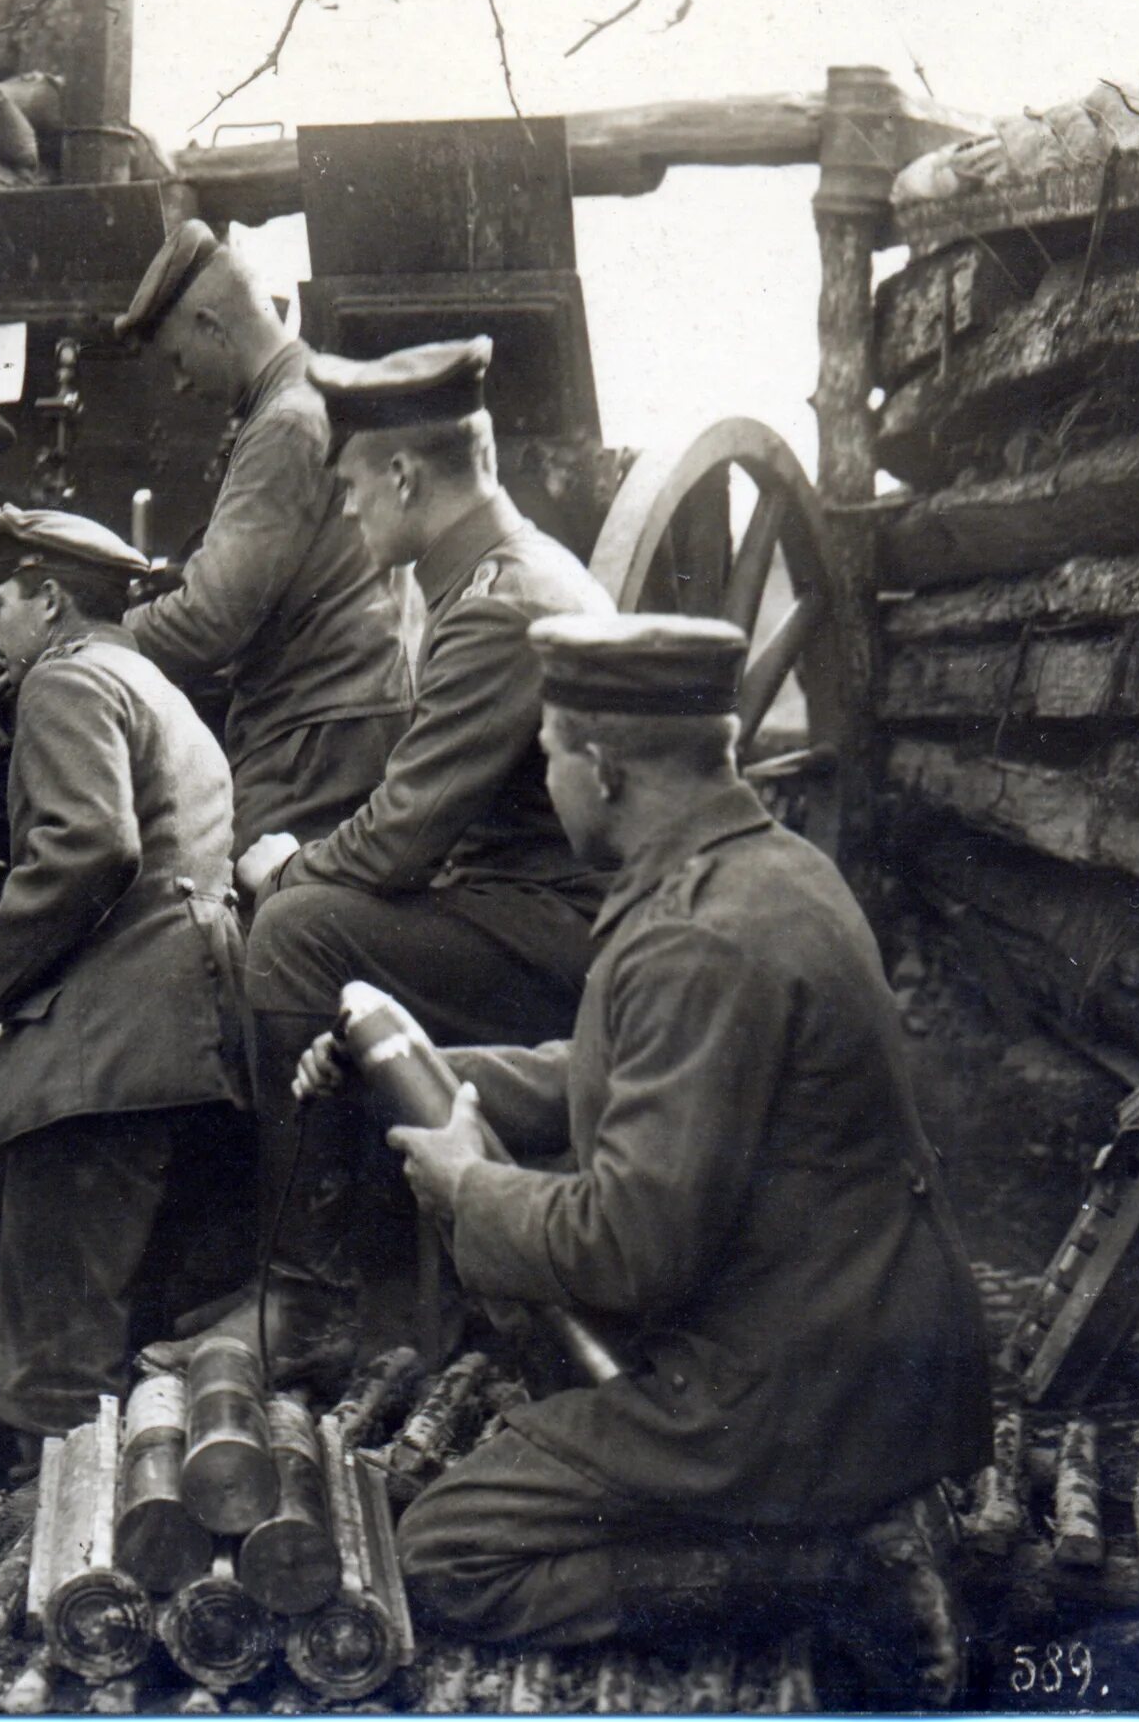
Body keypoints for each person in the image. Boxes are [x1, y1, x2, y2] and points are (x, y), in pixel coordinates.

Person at [347, 611, 992, 1648]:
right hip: (862, 1352)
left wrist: (471, 1189)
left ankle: (814, 1571)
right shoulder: (771, 868)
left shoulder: (696, 934)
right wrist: (434, 1074)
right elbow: (648, 1073)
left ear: (602, 769)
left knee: (444, 1554)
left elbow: (629, 1245)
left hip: (788, 1397)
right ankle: (827, 1540)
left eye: (549, 754)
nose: (545, 780)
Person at [179, 336, 616, 1382]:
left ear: (408, 475)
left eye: (356, 489)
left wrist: (282, 872)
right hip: (524, 903)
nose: (351, 511)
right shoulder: (489, 571)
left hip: (559, 933)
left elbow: (409, 829)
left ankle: (308, 1301)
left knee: (291, 933)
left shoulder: (499, 604)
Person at [0, 506, 248, 1461]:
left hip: (107, 1057)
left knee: (51, 1365)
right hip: (189, 1042)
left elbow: (92, 847)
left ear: (51, 600)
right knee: (132, 1344)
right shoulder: (154, 685)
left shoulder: (63, 681)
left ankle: (55, 1576)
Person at [111, 219, 410, 842]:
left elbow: (209, 622)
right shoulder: (318, 391)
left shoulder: (283, 424)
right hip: (345, 714)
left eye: (178, 360)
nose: (180, 383)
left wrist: (83, 640)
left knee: (255, 901)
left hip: (312, 739)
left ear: (212, 329)